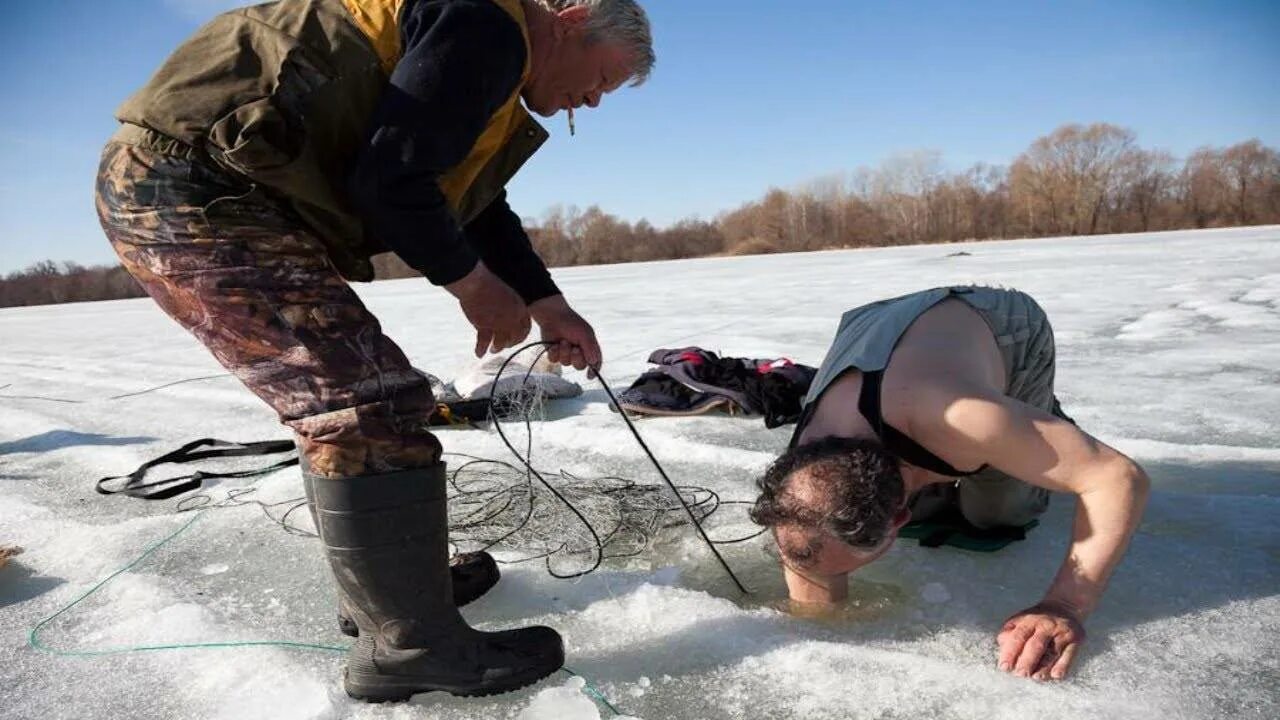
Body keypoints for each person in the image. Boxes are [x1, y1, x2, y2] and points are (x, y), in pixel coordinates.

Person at [95, 0, 654, 702]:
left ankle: (391, 595)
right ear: (571, 18)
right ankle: (410, 644)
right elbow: (392, 177)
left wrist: (545, 301)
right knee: (367, 405)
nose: (595, 101)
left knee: (355, 400)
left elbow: (473, 203)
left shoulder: (489, 63)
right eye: (603, 78)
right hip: (188, 188)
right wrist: (473, 285)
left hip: (216, 188)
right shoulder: (487, 25)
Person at [750, 286, 1150, 681]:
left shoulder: (965, 421)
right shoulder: (803, 478)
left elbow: (1117, 478)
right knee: (834, 531)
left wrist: (1065, 606)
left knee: (997, 514)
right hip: (876, 328)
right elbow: (812, 555)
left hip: (995, 325)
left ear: (899, 520)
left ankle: (1043, 422)